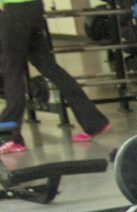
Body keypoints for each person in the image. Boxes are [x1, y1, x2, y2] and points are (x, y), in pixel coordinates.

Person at [0, 0, 111, 154]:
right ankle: (94, 122)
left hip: (14, 11)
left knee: (12, 72)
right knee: (50, 67)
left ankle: (9, 137)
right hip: (34, 7)